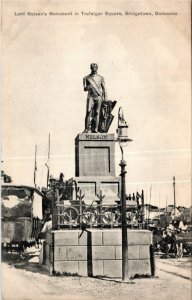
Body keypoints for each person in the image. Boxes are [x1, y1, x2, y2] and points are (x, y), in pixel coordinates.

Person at [83, 63, 107, 133]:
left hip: (98, 97)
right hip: (90, 96)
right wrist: (88, 87)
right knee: (88, 111)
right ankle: (86, 129)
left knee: (97, 112)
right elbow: (84, 89)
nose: (94, 68)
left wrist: (105, 98)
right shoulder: (86, 78)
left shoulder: (101, 78)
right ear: (91, 68)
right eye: (92, 67)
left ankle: (95, 129)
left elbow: (104, 89)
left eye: (95, 67)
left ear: (97, 68)